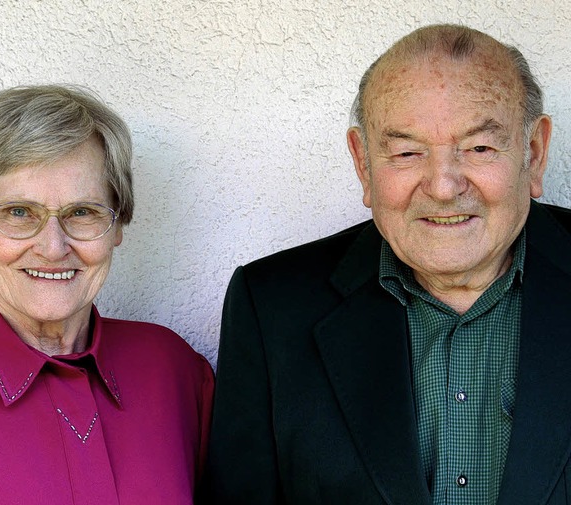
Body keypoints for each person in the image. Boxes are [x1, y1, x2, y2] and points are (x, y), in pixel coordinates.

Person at [202, 24, 571, 505]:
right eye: (407, 152)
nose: (443, 186)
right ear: (363, 164)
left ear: (533, 153)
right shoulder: (271, 308)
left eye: (479, 148)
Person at [0, 85, 214, 505]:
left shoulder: (174, 370)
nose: (53, 247)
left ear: (118, 224)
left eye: (82, 212)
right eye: (18, 212)